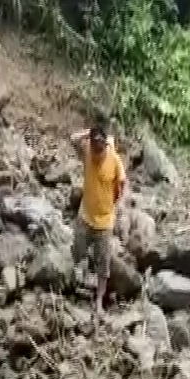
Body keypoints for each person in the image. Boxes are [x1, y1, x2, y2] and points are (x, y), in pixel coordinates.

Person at [69, 123, 126, 318]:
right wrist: (90, 132)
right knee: (76, 252)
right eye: (94, 145)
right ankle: (72, 287)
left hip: (104, 222)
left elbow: (122, 183)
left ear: (105, 146)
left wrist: (115, 205)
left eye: (99, 147)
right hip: (85, 216)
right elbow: (72, 139)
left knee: (103, 265)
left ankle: (99, 301)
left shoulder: (114, 160)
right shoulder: (87, 151)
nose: (96, 151)